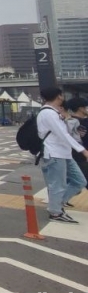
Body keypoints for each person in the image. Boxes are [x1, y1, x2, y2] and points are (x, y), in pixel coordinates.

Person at [37, 87, 87, 224]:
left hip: (64, 153)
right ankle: (55, 212)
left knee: (80, 181)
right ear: (59, 96)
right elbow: (63, 135)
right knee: (58, 185)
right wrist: (83, 150)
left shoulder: (55, 112)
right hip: (54, 153)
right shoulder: (48, 113)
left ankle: (57, 205)